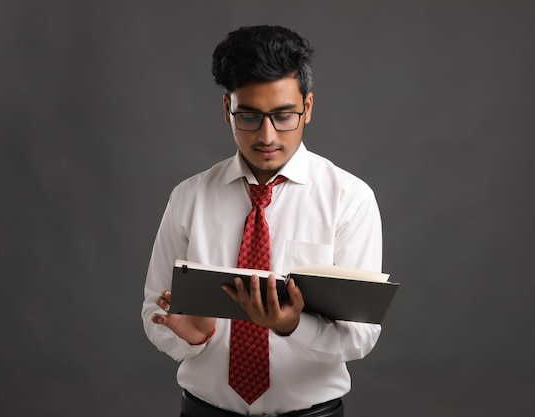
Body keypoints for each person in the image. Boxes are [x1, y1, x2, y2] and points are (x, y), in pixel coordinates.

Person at [142, 25, 383, 417]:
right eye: (249, 116)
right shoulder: (189, 197)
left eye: (284, 115)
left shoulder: (349, 199)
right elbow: (154, 307)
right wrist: (191, 340)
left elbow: (361, 336)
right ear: (227, 110)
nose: (267, 135)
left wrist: (292, 327)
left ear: (308, 106)